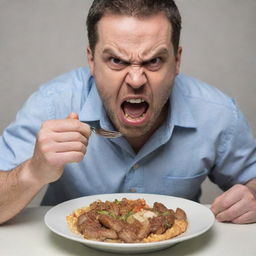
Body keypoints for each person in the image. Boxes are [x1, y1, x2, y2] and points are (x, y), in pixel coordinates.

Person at [0, 0, 255, 225]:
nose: (135, 80)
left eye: (153, 61)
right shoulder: (51, 105)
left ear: (177, 61)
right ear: (91, 60)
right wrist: (32, 171)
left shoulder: (217, 114)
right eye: (117, 61)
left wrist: (251, 197)